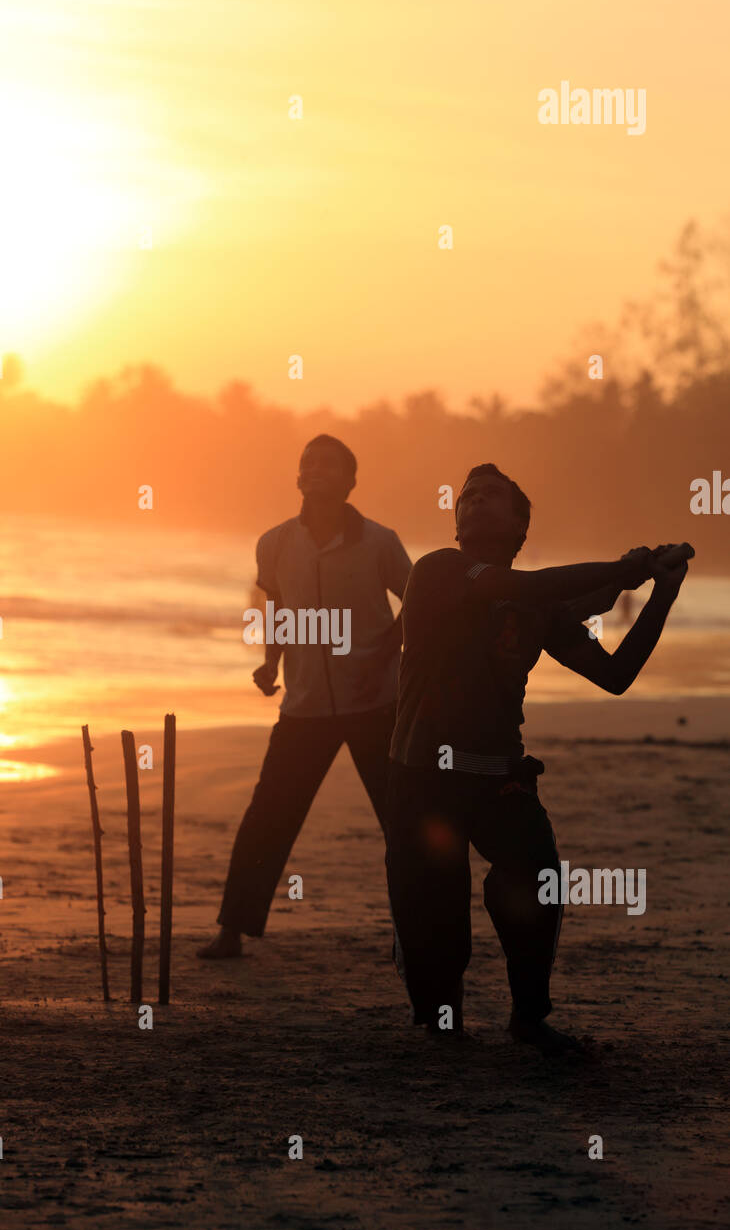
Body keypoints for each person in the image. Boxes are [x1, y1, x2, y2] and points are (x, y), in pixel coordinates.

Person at [385, 462, 690, 1054]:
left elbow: (616, 675)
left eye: (489, 497)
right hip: (425, 779)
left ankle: (528, 1015)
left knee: (536, 883)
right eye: (467, 496)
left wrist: (663, 593)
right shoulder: (436, 572)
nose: (471, 501)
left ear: (520, 526)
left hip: (500, 777)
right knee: (436, 924)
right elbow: (530, 587)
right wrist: (628, 572)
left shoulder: (535, 609)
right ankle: (440, 1015)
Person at [198, 434, 412, 959]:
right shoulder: (273, 543)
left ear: (350, 481)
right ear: (297, 478)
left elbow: (419, 604)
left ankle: (416, 933)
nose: (315, 470)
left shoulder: (380, 542)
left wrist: (387, 650)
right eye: (307, 463)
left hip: (375, 704)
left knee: (403, 821)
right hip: (305, 705)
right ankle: (232, 930)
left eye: (328, 464)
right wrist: (271, 662)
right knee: (269, 814)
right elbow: (280, 610)